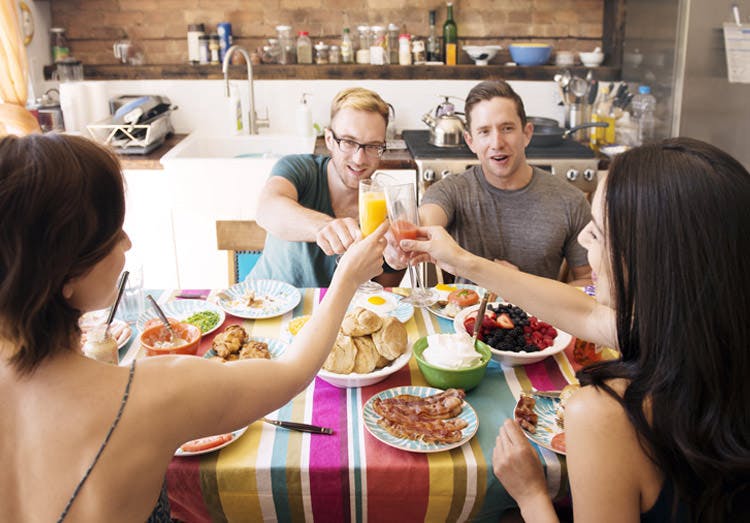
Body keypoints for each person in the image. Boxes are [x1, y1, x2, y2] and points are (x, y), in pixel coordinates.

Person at [0, 134, 389, 522]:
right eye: (113, 233)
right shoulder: (146, 394)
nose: (129, 242)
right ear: (65, 271)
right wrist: (346, 280)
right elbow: (292, 371)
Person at [400, 138, 749, 521]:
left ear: (649, 263)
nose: (583, 239)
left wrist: (531, 494)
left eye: (597, 233)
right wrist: (462, 261)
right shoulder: (700, 336)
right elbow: (584, 314)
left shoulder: (604, 416)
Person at [390, 80, 592, 285]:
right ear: (470, 142)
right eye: (484, 131)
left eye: (507, 128)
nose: (497, 143)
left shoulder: (571, 201)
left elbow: (589, 281)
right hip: (465, 315)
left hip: (540, 317)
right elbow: (424, 225)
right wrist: (402, 242)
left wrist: (518, 283)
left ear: (526, 134)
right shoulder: (452, 190)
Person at [251, 87, 404, 288]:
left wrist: (399, 263)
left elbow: (383, 295)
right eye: (348, 142)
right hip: (265, 304)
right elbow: (267, 209)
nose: (359, 159)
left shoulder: (389, 207)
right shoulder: (299, 169)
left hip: (338, 316)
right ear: (330, 140)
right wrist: (324, 227)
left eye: (373, 146)